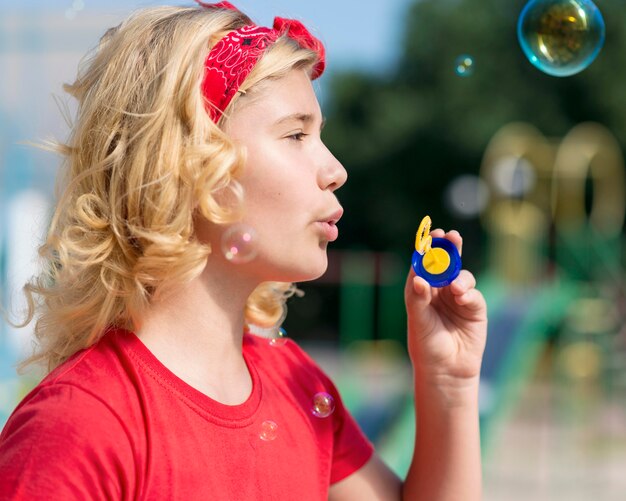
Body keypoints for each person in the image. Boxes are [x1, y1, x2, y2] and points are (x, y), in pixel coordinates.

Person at [0, 2, 487, 499]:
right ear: (187, 164)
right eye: (296, 134)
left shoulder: (298, 382)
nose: (336, 169)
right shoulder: (79, 426)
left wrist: (448, 383)